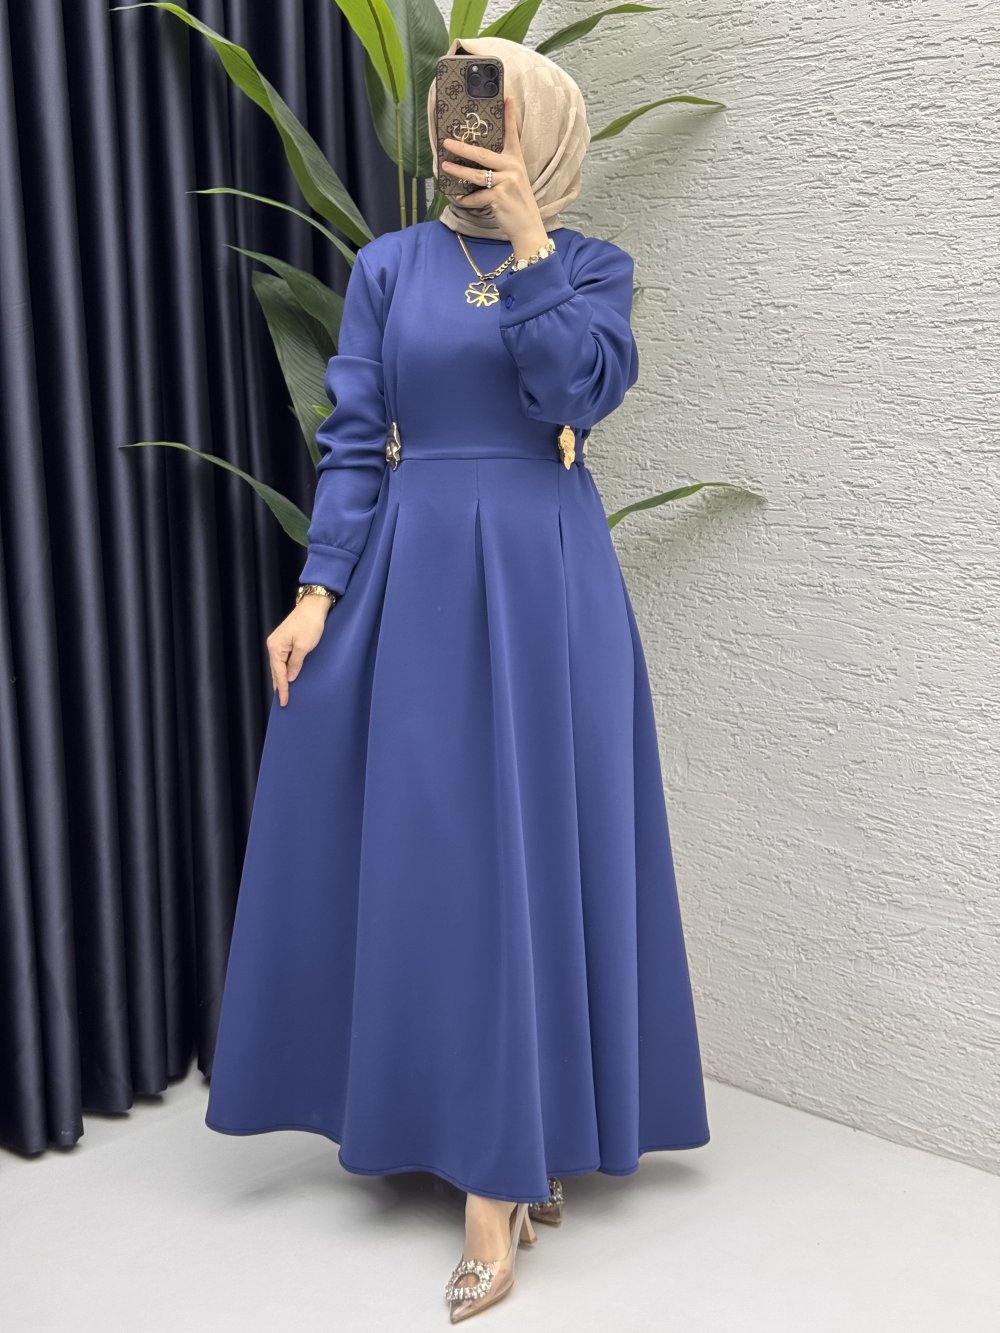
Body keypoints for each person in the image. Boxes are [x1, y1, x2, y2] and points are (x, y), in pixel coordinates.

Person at [205, 34, 710, 1323]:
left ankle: (504, 1176)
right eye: (449, 107)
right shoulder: (388, 266)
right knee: (446, 852)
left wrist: (530, 238)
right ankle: (482, 1130)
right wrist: (316, 593)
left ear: (541, 130)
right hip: (413, 577)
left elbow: (574, 394)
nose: (458, 131)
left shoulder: (592, 267)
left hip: (545, 582)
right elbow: (355, 440)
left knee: (533, 848)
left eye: (489, 111)